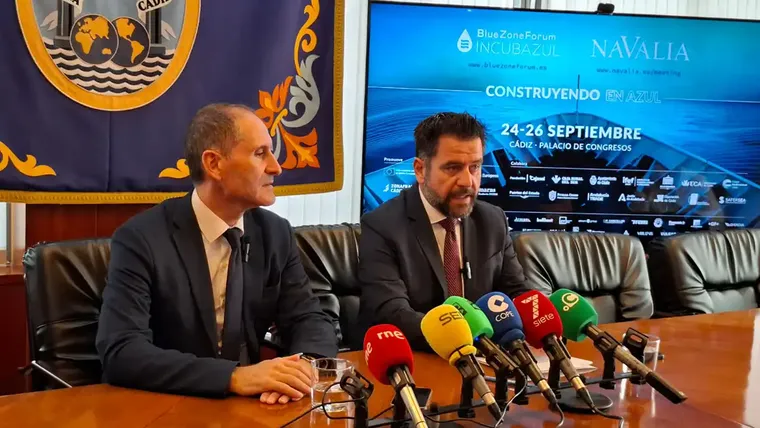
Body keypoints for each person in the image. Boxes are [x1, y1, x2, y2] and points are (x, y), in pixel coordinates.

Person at [96, 103, 338, 404]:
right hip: (167, 405)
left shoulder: (275, 233)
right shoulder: (141, 238)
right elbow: (122, 351)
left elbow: (308, 318)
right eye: (260, 153)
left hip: (252, 408)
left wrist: (304, 368)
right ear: (214, 164)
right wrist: (233, 377)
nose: (276, 167)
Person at [358, 112, 531, 351]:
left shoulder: (492, 220)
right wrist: (462, 338)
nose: (467, 181)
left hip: (489, 358)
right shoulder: (382, 226)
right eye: (452, 168)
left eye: (475, 167)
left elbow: (517, 293)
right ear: (420, 170)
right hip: (421, 358)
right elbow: (392, 313)